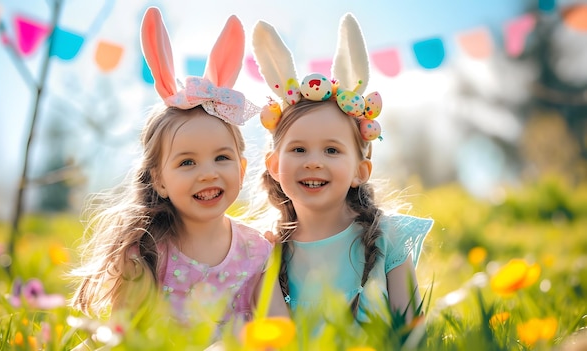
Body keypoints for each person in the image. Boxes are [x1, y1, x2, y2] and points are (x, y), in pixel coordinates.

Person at [69, 6, 288, 338]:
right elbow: (125, 339)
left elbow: (280, 333)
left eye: (222, 158)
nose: (207, 173)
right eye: (187, 162)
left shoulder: (257, 253)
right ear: (159, 179)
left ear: (242, 169)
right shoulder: (146, 251)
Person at [250, 14, 434, 326]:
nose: (313, 161)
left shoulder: (388, 237)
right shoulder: (267, 250)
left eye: (332, 150)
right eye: (298, 149)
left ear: (359, 171)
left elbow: (413, 334)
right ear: (274, 165)